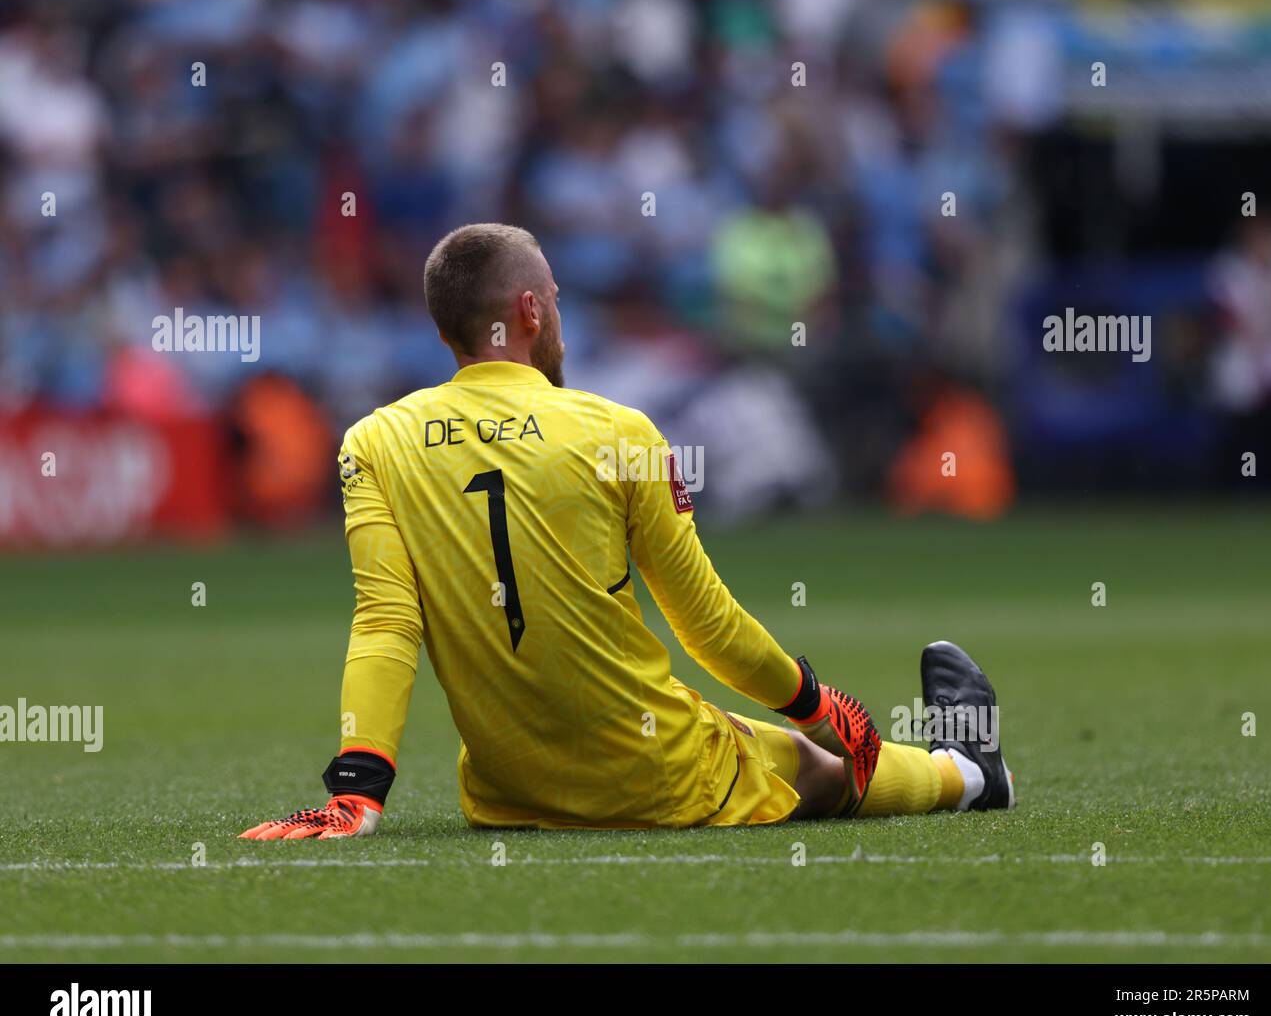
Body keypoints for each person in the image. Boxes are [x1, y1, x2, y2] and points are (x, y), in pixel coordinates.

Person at [240, 224, 1014, 839]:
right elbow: (703, 621)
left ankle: (960, 764)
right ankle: (971, 774)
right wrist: (813, 700)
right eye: (556, 301)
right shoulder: (618, 429)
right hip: (658, 773)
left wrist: (359, 790)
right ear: (532, 312)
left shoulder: (373, 440)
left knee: (748, 738)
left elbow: (386, 623)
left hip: (511, 793)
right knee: (813, 764)